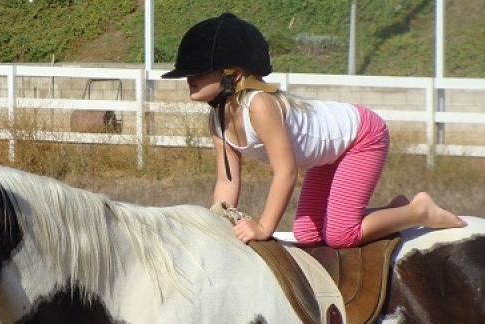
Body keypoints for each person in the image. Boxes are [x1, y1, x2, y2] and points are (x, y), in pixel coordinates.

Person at [161, 12, 465, 247]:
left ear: (234, 74)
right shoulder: (216, 119)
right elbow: (227, 180)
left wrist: (264, 228)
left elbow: (286, 172)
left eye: (199, 72)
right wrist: (218, 224)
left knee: (340, 235)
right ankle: (393, 211)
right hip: (326, 155)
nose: (190, 78)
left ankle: (419, 211)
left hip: (361, 137)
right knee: (306, 234)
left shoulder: (260, 106)